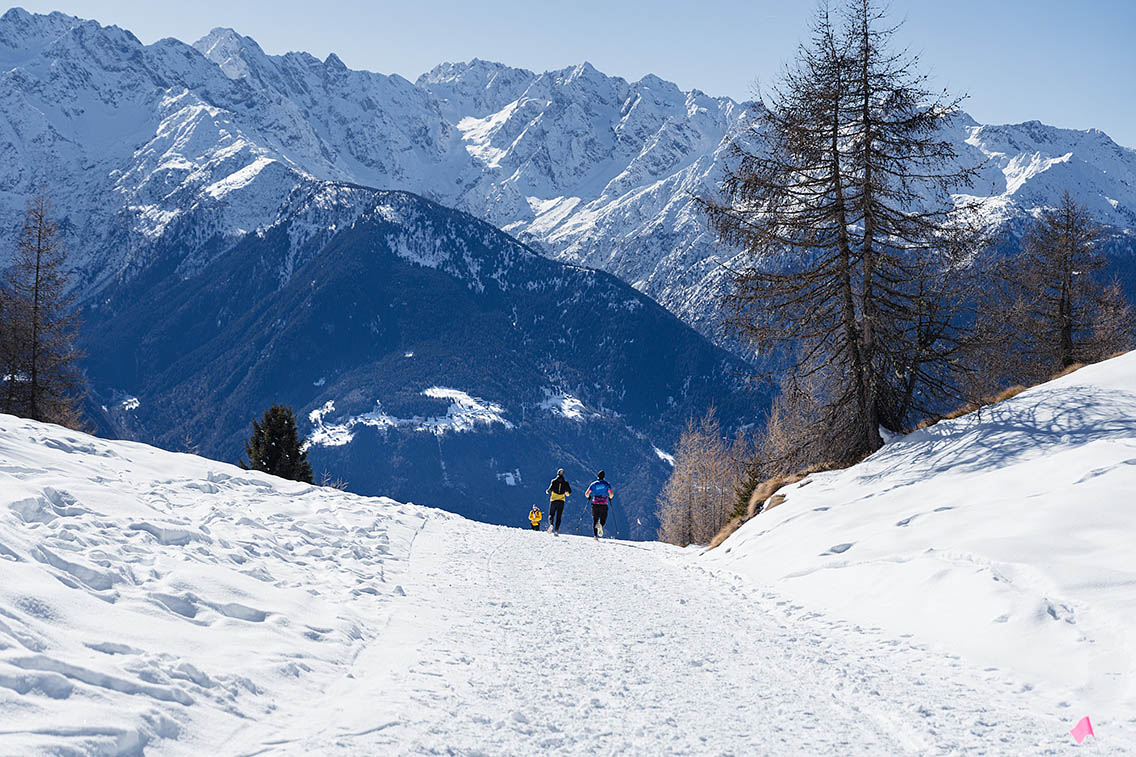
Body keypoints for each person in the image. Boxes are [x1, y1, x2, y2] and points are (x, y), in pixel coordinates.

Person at [585, 471, 614, 540]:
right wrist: (610, 498)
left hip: (595, 503)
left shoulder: (593, 484)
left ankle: (595, 536)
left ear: (597, 476)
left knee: (595, 519)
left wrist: (588, 497)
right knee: (603, 519)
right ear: (604, 477)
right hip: (603, 503)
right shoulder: (607, 484)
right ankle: (601, 525)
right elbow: (611, 494)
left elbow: (586, 493)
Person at [545, 468, 572, 535]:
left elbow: (550, 490)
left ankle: (551, 524)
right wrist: (566, 493)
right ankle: (556, 531)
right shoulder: (565, 483)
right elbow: (569, 491)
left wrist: (547, 491)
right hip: (561, 501)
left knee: (551, 514)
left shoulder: (553, 481)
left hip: (554, 500)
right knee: (559, 516)